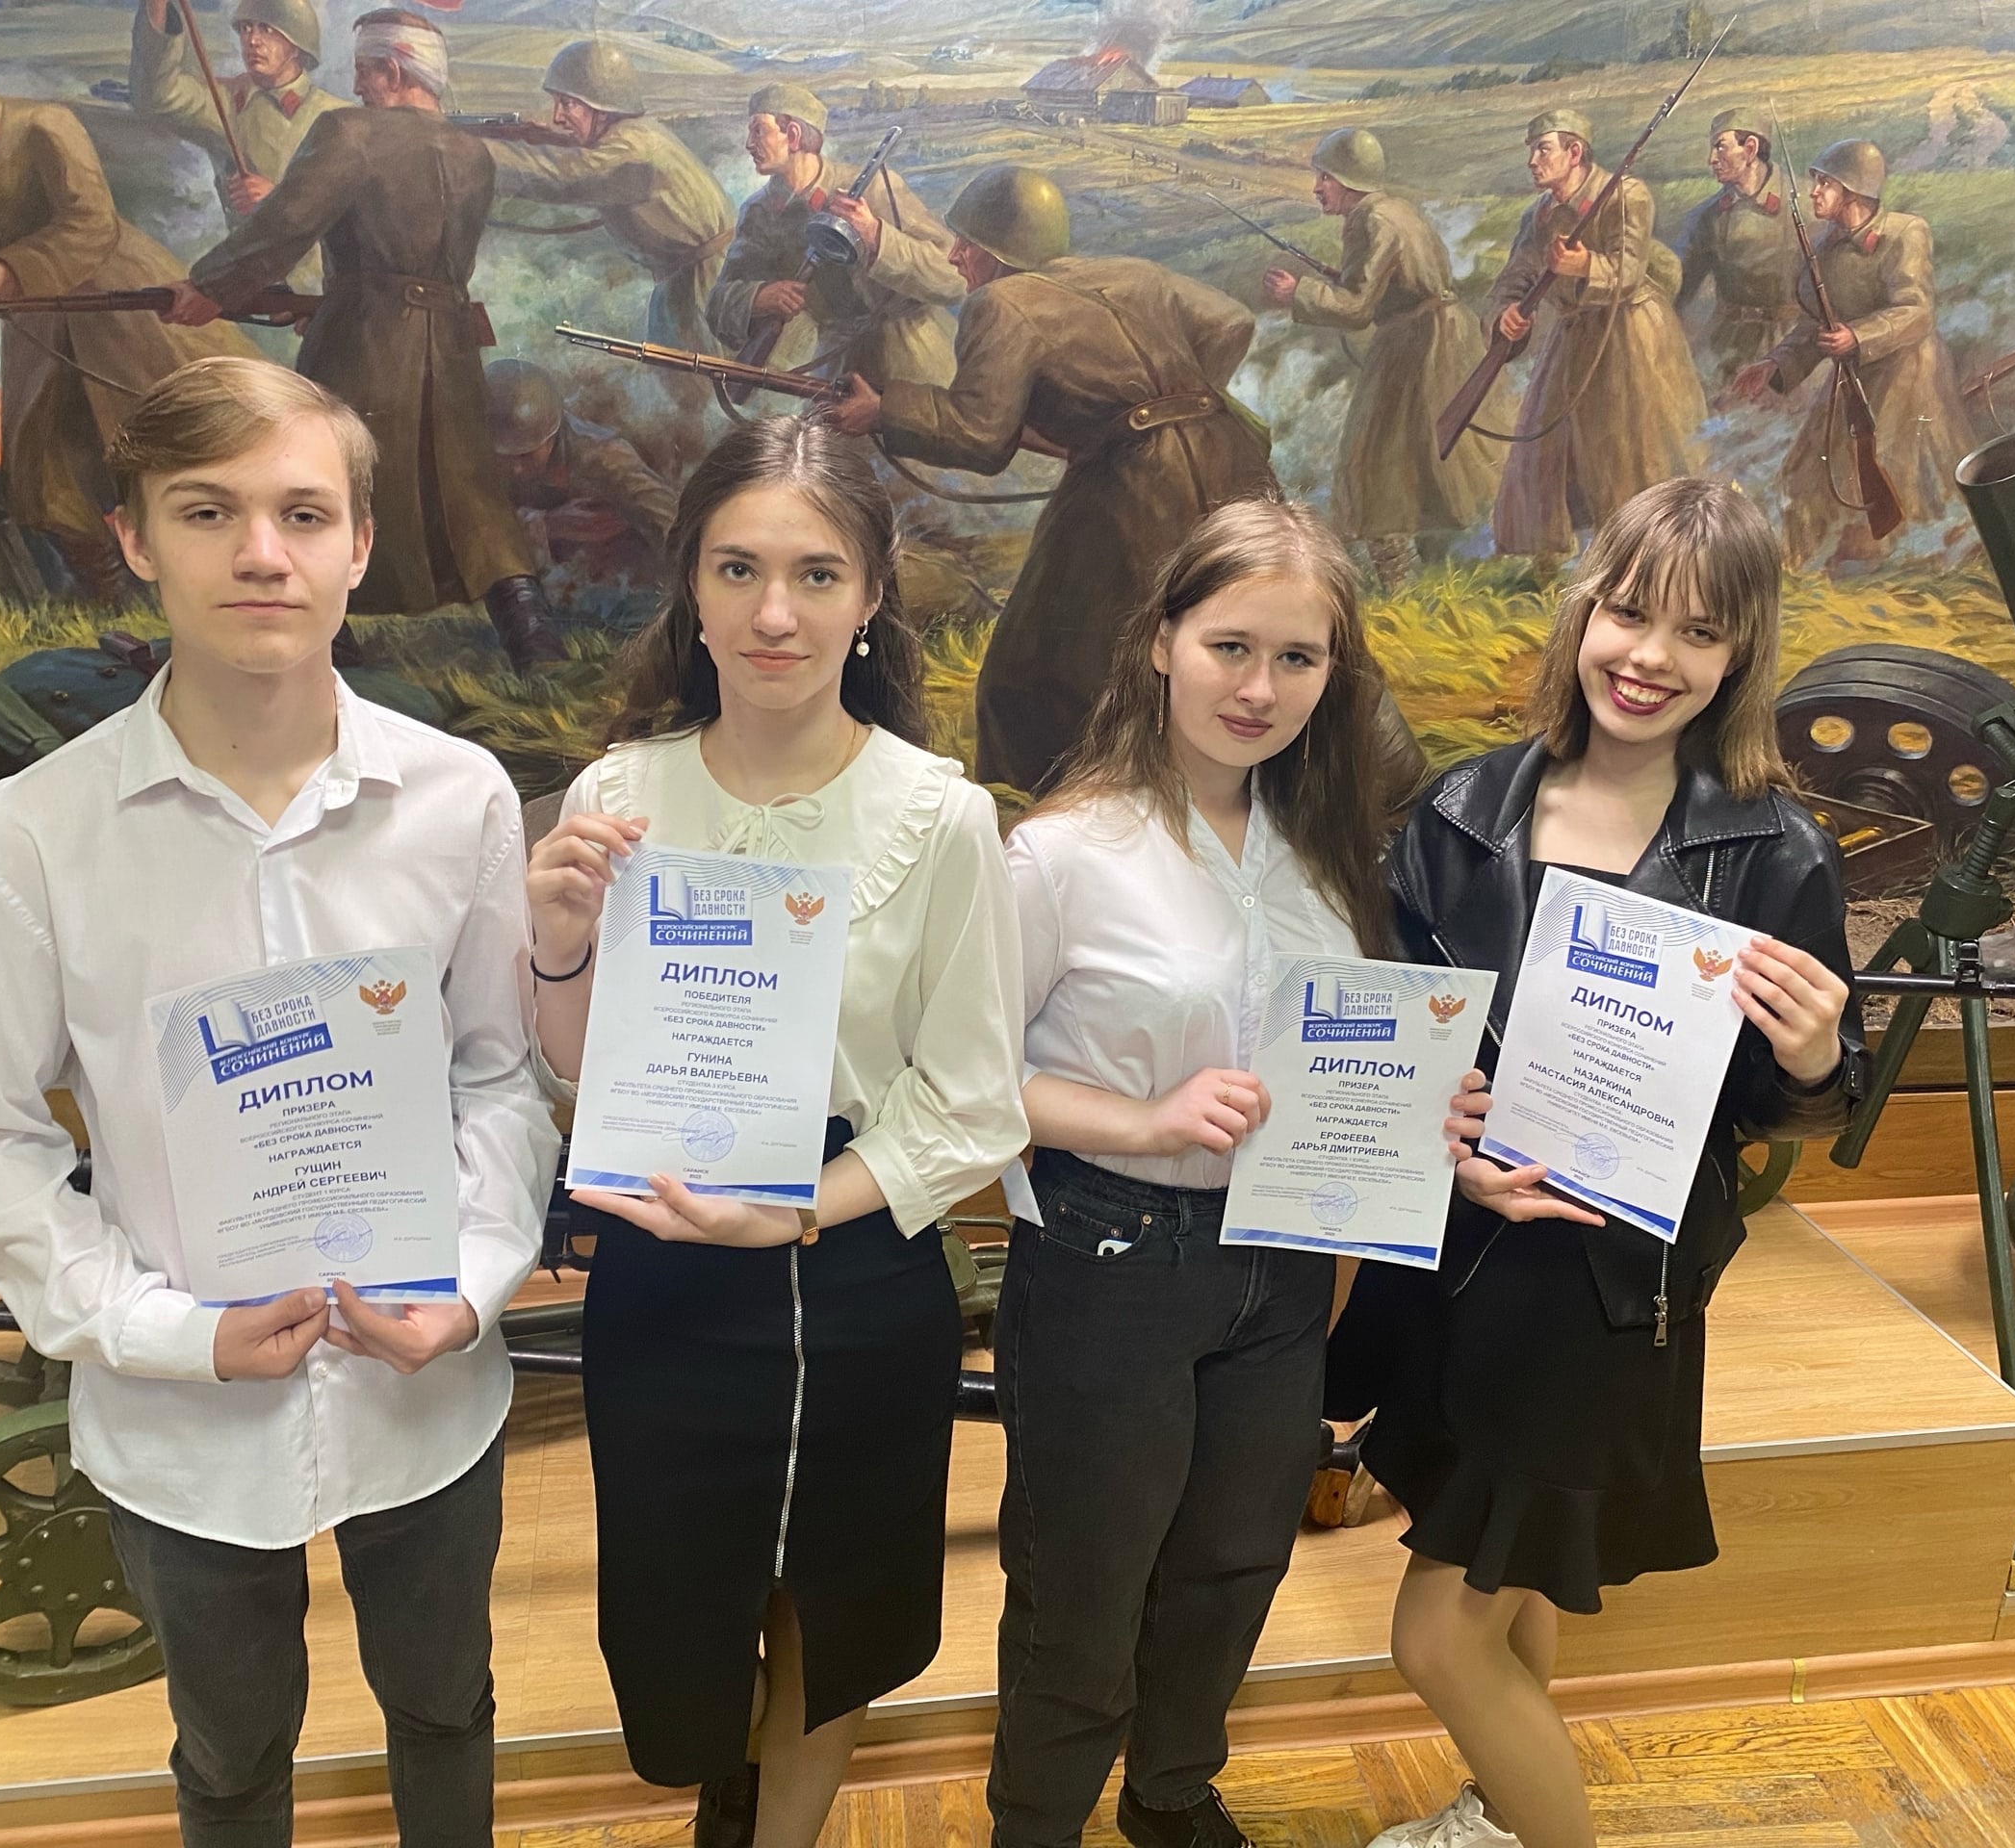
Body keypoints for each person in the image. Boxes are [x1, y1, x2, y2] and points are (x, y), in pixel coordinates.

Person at [0, 354, 560, 1847]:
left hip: (423, 1390)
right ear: (135, 539)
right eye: (208, 512)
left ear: (359, 545)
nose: (262, 553)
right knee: (229, 1759)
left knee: (446, 1711)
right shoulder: (36, 835)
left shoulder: (460, 799)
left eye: (302, 513)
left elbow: (494, 1074)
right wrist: (161, 1332)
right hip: (180, 1418)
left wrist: (469, 1285)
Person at [1330, 477, 1866, 1848]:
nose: (1649, 655)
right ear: (1583, 612)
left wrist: (1816, 1058)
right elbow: (1402, 1044)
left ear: (1739, 655)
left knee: (1435, 1638)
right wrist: (1446, 1147)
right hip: (1456, 1269)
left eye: (1698, 631)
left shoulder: (1774, 852)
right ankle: (1501, 1814)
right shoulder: (1462, 812)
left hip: (1607, 1299)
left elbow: (1795, 1109)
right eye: (1629, 612)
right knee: (1504, 1585)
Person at [524, 416, 1027, 1848]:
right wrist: (556, 940)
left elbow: (972, 1099)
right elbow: (580, 1073)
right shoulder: (619, 796)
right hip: (662, 1267)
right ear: (690, 583)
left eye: (816, 575)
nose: (773, 614)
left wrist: (801, 1210)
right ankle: (720, 1786)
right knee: (680, 1595)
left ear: (871, 597)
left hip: (857, 1261)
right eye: (737, 568)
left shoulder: (938, 818)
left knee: (837, 1598)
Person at [993, 497, 1399, 1848]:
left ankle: (1169, 1795)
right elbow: (966, 1085)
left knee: (1233, 1558)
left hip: (1281, 1264)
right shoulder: (1062, 854)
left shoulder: (1326, 853)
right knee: (1085, 1580)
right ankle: (1037, 1827)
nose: (1258, 687)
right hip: (1109, 1257)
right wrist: (1144, 1119)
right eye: (1231, 645)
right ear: (1162, 640)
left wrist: (1415, 1107)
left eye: (1296, 657)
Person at [828, 165, 1277, 797]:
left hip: (1134, 492)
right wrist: (1154, 415)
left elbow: (979, 436)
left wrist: (884, 411)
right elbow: (1232, 322)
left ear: (1001, 252)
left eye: (968, 244)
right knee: (1252, 626)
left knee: (1027, 674)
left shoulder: (999, 304)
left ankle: (1039, 807)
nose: (954, 256)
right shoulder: (1134, 273)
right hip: (1233, 459)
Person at [167, 8, 562, 671]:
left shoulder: (347, 133)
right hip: (449, 344)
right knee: (468, 492)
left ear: (394, 72)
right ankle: (536, 641)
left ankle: (331, 637)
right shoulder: (473, 153)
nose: (355, 87)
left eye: (364, 72)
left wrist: (210, 286)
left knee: (321, 479)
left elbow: (287, 223)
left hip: (365, 339)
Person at [0, 21, 249, 601]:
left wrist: (13, 264)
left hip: (116, 301)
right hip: (36, 320)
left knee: (176, 440)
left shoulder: (43, 124)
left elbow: (91, 220)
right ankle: (108, 592)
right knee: (40, 475)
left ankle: (210, 578)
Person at [1260, 128, 1498, 591]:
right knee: (1419, 458)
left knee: (1373, 460)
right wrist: (1339, 277)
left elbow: (1355, 308)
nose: (1317, 188)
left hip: (1414, 346)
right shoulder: (1394, 211)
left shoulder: (1372, 221)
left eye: (1325, 177)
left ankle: (1398, 585)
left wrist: (1298, 293)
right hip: (1434, 338)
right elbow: (1396, 281)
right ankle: (1420, 578)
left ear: (1350, 179)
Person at [1730, 140, 1973, 569]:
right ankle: (1802, 568)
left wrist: (1857, 336)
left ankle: (1903, 567)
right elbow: (1816, 324)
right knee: (1806, 471)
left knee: (1892, 472)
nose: (1814, 192)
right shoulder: (1823, 248)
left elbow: (1916, 311)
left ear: (1855, 190)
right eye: (1815, 182)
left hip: (1907, 372)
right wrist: (1775, 363)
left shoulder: (1905, 232)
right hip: (1854, 371)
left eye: (1825, 183)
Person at [1482, 110, 1705, 565]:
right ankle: (1559, 563)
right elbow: (1516, 276)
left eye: (1542, 149)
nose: (1532, 161)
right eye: (1531, 151)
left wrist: (1585, 265)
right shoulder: (1539, 215)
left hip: (1630, 336)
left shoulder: (1626, 195)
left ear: (1575, 152)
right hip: (1572, 336)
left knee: (1630, 454)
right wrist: (1505, 314)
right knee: (1548, 451)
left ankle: (1650, 559)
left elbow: (1629, 269)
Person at [483, 39, 735, 365]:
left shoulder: (631, 150)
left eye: (568, 104)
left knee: (696, 385)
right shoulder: (634, 136)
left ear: (602, 108)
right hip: (689, 284)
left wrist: (472, 154)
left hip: (701, 291)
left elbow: (560, 176)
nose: (557, 117)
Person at [706, 84, 963, 391]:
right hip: (835, 368)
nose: (749, 143)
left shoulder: (875, 187)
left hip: (914, 360)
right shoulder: (759, 212)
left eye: (758, 131)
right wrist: (758, 297)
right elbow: (717, 304)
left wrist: (875, 234)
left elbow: (954, 278)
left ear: (794, 135)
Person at [130, 0, 348, 294]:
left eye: (267, 29)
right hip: (246, 289)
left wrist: (277, 202)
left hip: (321, 293)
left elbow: (359, 214)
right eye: (246, 28)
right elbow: (155, 96)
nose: (252, 40)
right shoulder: (225, 102)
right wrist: (157, 5)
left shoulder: (339, 116)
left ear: (297, 44)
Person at [484, 356, 680, 598]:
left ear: (552, 437)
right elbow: (467, 535)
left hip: (619, 586)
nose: (516, 468)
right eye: (504, 456)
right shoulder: (471, 460)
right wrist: (547, 525)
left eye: (526, 455)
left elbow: (670, 523)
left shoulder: (606, 457)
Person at [1673, 108, 1799, 385]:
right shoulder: (1707, 218)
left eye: (1721, 147)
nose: (1711, 159)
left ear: (1750, 149)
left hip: (1791, 346)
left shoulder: (1806, 206)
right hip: (1725, 345)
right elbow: (1678, 286)